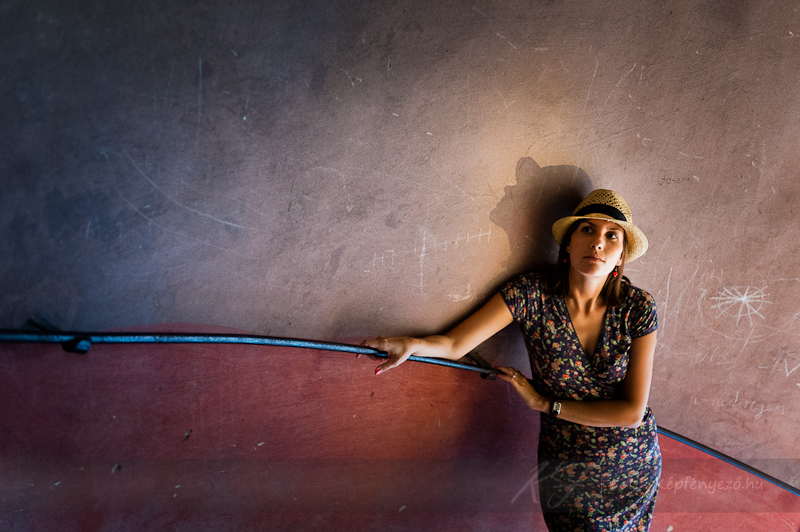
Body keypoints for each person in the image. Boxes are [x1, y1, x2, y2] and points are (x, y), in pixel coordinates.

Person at [361, 189, 661, 531]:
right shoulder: (531, 295)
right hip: (567, 469)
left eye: (611, 236)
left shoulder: (638, 307)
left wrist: (545, 403)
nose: (597, 243)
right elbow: (456, 343)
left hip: (632, 466)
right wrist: (412, 344)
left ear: (621, 256)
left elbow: (632, 413)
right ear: (568, 243)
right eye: (587, 229)